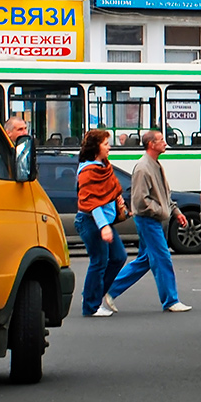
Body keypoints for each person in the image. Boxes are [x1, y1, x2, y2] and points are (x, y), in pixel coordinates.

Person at [104, 130, 192, 313]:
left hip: (153, 219)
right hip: (147, 220)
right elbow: (140, 201)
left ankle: (108, 290)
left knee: (145, 259)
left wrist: (175, 211)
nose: (165, 143)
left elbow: (164, 194)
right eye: (161, 140)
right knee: (162, 258)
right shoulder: (143, 168)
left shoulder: (155, 164)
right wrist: (163, 211)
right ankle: (170, 300)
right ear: (151, 144)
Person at [74, 129, 129, 318]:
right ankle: (90, 305)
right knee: (99, 262)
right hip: (92, 222)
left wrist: (118, 199)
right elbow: (91, 202)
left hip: (103, 222)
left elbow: (110, 190)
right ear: (96, 147)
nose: (109, 147)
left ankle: (92, 294)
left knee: (119, 257)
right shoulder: (88, 171)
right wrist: (103, 226)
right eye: (106, 144)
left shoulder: (104, 166)